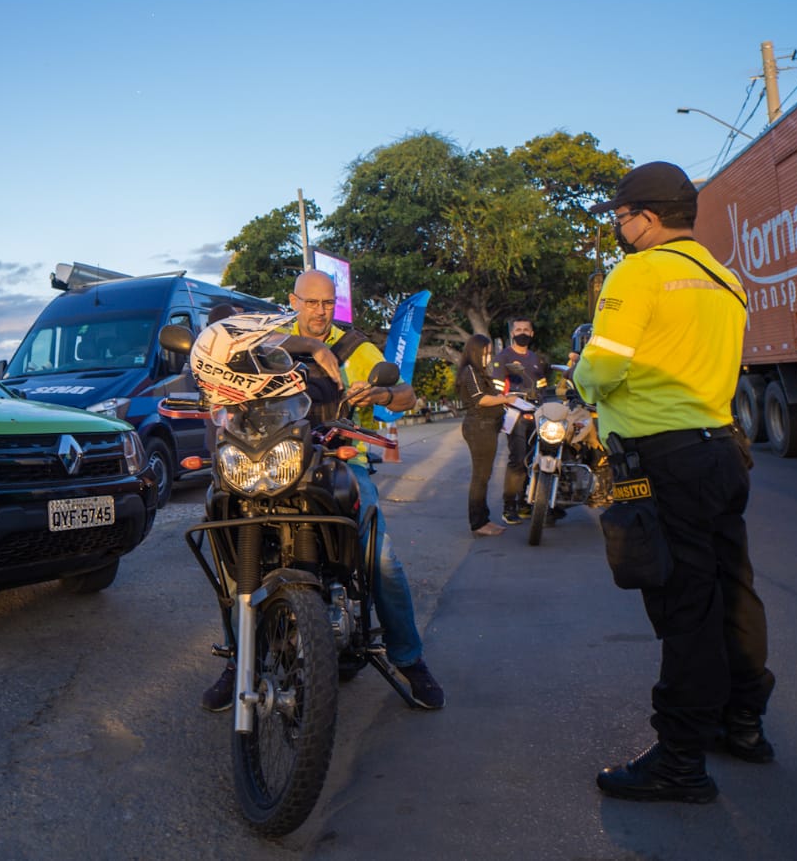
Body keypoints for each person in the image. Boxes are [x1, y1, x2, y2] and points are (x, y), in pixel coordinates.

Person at [573, 160, 775, 804]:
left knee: (683, 601)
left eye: (621, 217)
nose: (619, 229)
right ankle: (743, 724)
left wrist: (579, 385)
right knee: (733, 589)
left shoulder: (638, 272)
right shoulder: (726, 278)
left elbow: (601, 371)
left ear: (649, 217)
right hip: (722, 450)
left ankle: (681, 760)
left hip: (663, 457)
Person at [202, 269, 445, 711]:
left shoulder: (355, 347)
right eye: (311, 302)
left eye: (327, 303)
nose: (319, 311)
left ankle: (410, 659)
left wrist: (381, 396)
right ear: (293, 302)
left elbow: (406, 394)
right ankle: (237, 659)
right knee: (233, 554)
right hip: (270, 464)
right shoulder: (267, 338)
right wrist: (312, 346)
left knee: (380, 557)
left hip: (338, 463)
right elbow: (229, 348)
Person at [456, 333, 520, 536]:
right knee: (480, 476)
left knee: (484, 475)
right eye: (486, 352)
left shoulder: (479, 372)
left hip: (486, 426)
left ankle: (483, 519)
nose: (488, 356)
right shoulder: (470, 371)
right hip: (479, 427)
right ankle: (478, 523)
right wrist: (506, 400)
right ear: (476, 351)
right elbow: (480, 399)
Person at [488, 317, 549, 524]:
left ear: (531, 334)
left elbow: (542, 388)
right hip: (515, 416)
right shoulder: (503, 358)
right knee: (518, 460)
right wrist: (509, 405)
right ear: (512, 334)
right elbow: (497, 391)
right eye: (518, 329)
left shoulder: (537, 359)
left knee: (534, 460)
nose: (522, 332)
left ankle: (525, 503)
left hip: (537, 415)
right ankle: (509, 506)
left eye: (526, 329)